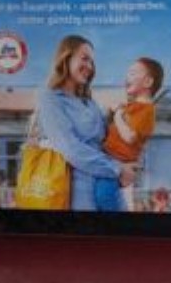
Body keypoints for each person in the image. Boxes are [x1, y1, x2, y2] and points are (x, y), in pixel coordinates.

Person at [32, 34, 135, 211]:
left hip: (108, 186)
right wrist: (117, 169)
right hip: (78, 194)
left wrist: (113, 115)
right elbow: (70, 148)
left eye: (92, 62)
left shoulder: (88, 102)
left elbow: (101, 137)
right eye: (85, 58)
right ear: (66, 57)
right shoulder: (50, 98)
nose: (90, 66)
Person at [93, 57, 164, 212]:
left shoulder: (147, 109)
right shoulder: (130, 106)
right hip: (109, 158)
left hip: (118, 161)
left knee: (103, 196)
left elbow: (130, 136)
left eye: (132, 73)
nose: (126, 77)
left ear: (148, 82)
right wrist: (113, 112)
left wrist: (118, 114)